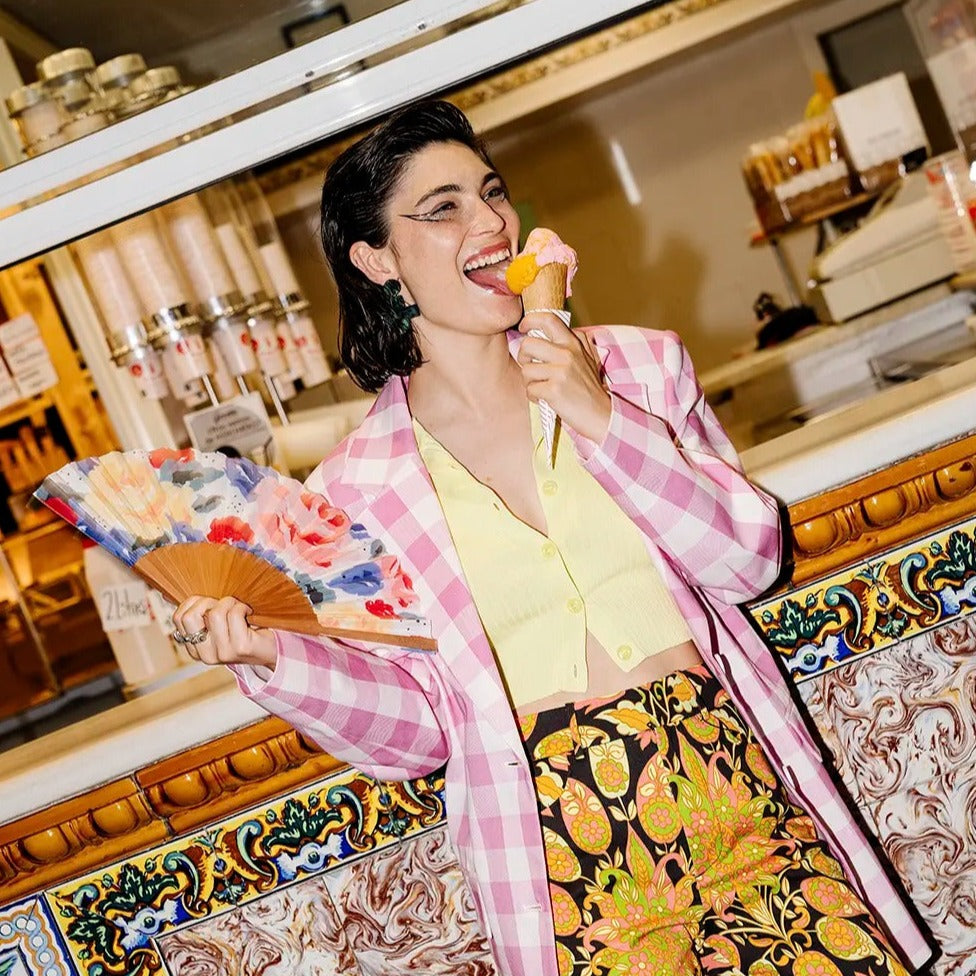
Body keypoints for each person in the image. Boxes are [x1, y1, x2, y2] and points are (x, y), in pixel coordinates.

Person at [173, 100, 931, 976]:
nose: (491, 221)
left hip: (740, 796)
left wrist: (598, 414)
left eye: (492, 193)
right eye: (443, 208)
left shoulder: (637, 368)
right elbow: (418, 736)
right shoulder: (349, 492)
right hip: (565, 862)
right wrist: (270, 656)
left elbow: (748, 559)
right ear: (378, 260)